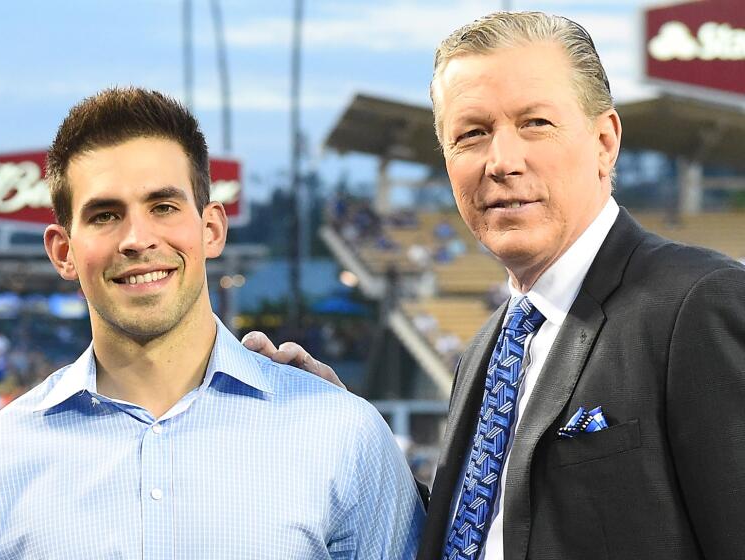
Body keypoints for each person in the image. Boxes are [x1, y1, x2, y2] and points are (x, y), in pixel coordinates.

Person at [243, 11, 745, 560]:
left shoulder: (699, 303)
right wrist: (346, 427)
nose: (501, 162)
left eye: (535, 123)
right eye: (472, 134)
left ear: (605, 141)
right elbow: (477, 540)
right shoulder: (490, 347)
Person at [0, 87, 424, 559]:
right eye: (104, 215)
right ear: (62, 251)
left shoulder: (344, 435)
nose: (137, 238)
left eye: (162, 206)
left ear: (211, 229)